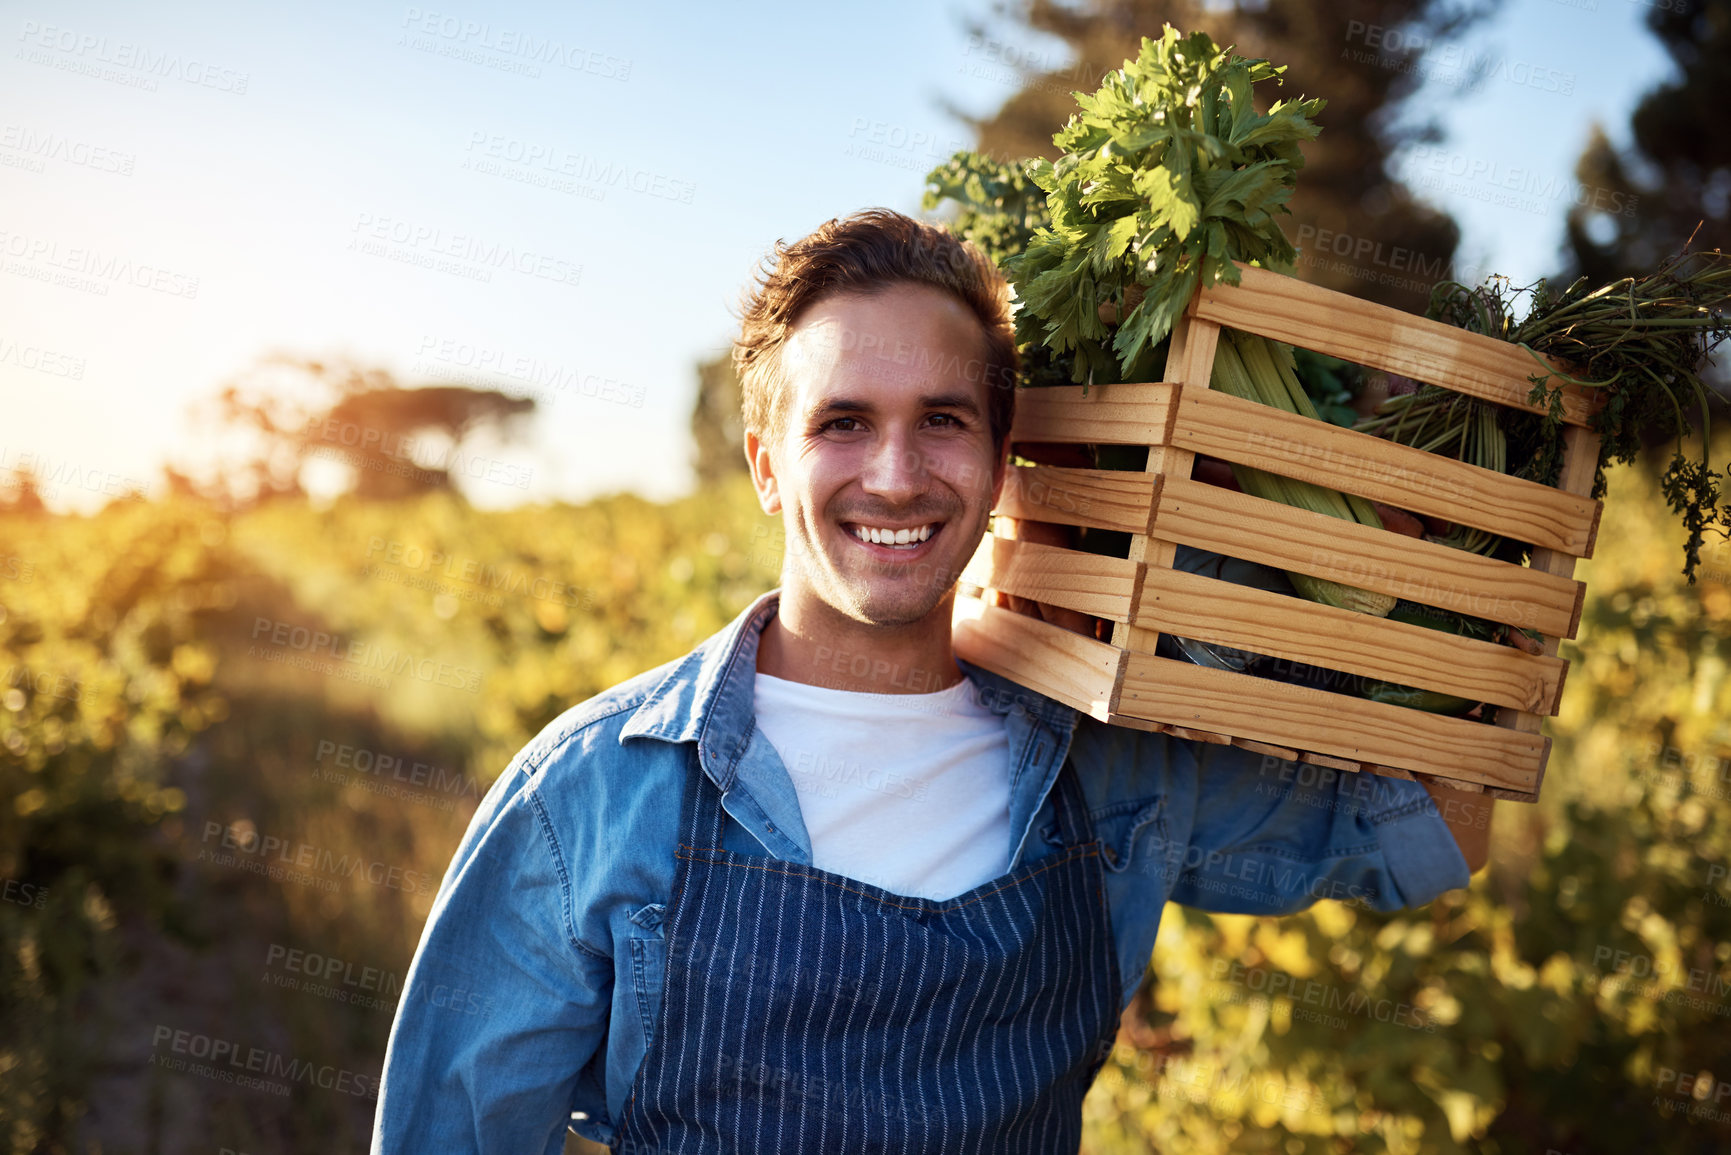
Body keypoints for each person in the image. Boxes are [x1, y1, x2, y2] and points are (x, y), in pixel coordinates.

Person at [369, 208, 1491, 1154]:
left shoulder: (1102, 770)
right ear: (768, 466)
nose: (896, 477)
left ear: (1003, 464)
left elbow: (1429, 834)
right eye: (843, 423)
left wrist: (1434, 551)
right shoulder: (594, 796)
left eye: (943, 422)